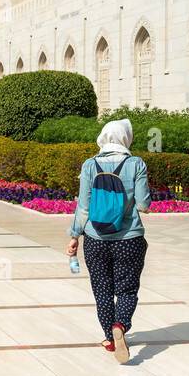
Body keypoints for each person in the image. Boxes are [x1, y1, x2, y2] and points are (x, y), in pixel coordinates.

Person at [65, 119, 152, 363]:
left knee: (102, 289)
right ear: (126, 138)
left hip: (95, 238)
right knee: (127, 289)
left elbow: (83, 206)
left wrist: (74, 236)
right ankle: (120, 325)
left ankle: (109, 337)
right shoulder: (136, 164)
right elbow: (144, 205)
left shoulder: (90, 165)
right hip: (129, 238)